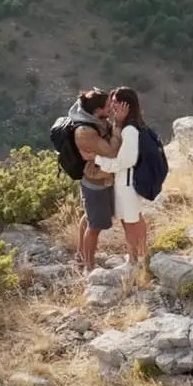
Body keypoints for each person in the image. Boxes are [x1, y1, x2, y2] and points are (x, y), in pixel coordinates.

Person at [67, 88, 121, 274]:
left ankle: (82, 257)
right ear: (97, 110)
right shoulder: (85, 131)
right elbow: (111, 151)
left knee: (90, 217)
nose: (111, 108)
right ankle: (88, 267)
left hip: (99, 178)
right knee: (95, 225)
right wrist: (118, 125)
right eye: (107, 106)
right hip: (95, 183)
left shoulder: (94, 119)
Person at [98, 86, 150, 267]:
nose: (112, 106)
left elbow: (125, 161)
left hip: (128, 183)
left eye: (115, 102)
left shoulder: (130, 130)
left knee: (130, 222)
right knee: (134, 219)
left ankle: (136, 259)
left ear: (125, 105)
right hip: (127, 182)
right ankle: (140, 256)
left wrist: (98, 160)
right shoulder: (129, 126)